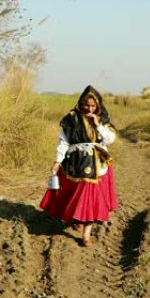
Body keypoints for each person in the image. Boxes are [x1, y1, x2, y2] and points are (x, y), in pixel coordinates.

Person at [40, 85, 118, 247]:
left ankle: (86, 235)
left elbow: (110, 140)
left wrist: (98, 125)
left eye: (93, 106)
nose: (89, 108)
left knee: (91, 195)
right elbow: (64, 142)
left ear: (98, 106)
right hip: (75, 162)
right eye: (86, 105)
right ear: (81, 103)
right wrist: (58, 161)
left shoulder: (102, 119)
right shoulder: (71, 119)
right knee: (75, 194)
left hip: (97, 164)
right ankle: (78, 219)